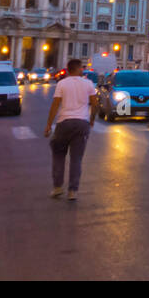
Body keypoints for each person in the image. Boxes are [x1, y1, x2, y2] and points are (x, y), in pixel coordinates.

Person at [44, 58, 97, 200]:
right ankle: (73, 191)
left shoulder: (62, 84)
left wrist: (49, 125)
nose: (83, 70)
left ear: (67, 70)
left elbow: (55, 105)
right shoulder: (88, 83)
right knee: (76, 159)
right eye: (82, 68)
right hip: (81, 123)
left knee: (58, 155)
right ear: (78, 69)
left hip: (64, 122)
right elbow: (95, 103)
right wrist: (91, 120)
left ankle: (57, 187)